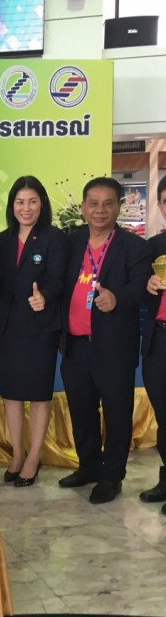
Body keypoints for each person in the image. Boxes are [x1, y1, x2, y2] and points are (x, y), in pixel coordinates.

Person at [58, 177, 151, 504]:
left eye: (108, 203)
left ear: (118, 207)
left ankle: (112, 476)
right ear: (83, 208)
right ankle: (89, 466)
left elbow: (141, 286)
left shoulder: (134, 247)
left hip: (113, 346)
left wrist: (118, 298)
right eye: (93, 203)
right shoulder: (71, 243)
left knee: (116, 413)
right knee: (81, 410)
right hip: (75, 344)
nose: (100, 210)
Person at [0, 176, 67, 486]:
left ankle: (34, 457)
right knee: (12, 393)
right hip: (8, 328)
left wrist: (45, 295)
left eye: (32, 201)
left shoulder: (54, 238)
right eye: (20, 202)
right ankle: (17, 454)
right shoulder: (1, 240)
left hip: (41, 328)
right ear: (12, 206)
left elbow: (58, 279)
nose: (26, 208)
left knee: (38, 394)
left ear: (41, 203)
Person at [138, 178, 166, 508]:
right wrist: (146, 284)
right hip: (159, 339)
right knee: (163, 412)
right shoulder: (154, 247)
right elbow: (137, 291)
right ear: (159, 206)